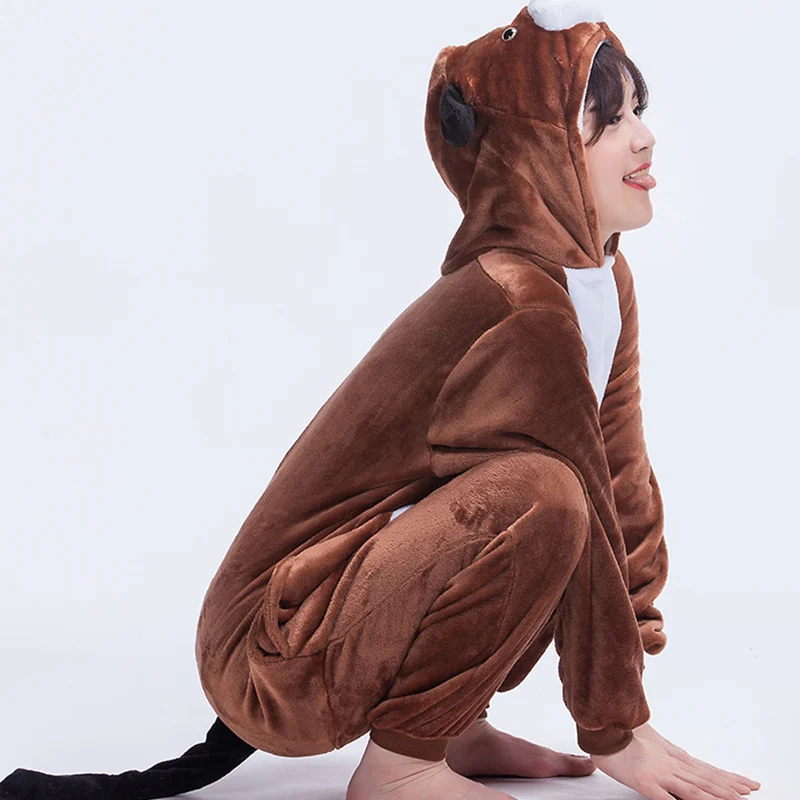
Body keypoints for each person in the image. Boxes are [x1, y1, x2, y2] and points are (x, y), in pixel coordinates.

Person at [0, 4, 762, 800]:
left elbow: (620, 471)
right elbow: (577, 499)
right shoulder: (520, 298)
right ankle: (402, 764)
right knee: (547, 494)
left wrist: (632, 650)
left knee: (555, 494)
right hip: (276, 648)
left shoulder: (600, 280)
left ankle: (450, 724)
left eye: (637, 109)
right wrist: (616, 725)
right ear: (536, 154)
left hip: (357, 604)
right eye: (604, 122)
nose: (643, 137)